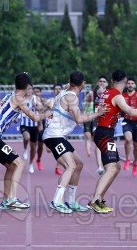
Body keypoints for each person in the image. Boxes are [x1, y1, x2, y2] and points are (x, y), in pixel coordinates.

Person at [0, 72, 49, 211]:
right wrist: (48, 113)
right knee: (19, 163)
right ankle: (12, 199)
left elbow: (1, 110)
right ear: (28, 87)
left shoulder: (9, 95)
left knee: (11, 166)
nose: (31, 91)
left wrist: (11, 118)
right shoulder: (19, 99)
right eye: (30, 88)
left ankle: (6, 200)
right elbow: (35, 117)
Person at [88, 70, 137, 214]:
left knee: (116, 166)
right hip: (105, 133)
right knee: (111, 168)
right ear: (124, 82)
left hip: (104, 132)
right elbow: (131, 112)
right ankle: (94, 200)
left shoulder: (106, 92)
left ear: (111, 81)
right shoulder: (117, 95)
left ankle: (100, 199)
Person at [44, 71, 107, 214]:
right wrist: (98, 113)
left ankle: (71, 201)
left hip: (58, 135)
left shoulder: (66, 91)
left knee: (78, 164)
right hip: (54, 135)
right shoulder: (71, 97)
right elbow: (79, 119)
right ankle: (56, 201)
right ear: (83, 83)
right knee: (70, 166)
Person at [19, 86, 42, 173]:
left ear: (32, 90)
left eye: (29, 89)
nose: (28, 91)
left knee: (33, 148)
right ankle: (25, 149)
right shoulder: (21, 99)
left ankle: (31, 163)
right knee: (26, 137)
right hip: (24, 123)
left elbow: (40, 109)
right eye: (26, 89)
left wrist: (40, 124)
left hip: (34, 125)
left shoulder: (35, 98)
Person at [43, 83, 64, 175]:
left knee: (61, 148)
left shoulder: (64, 102)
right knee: (48, 150)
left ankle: (58, 167)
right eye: (56, 89)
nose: (58, 90)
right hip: (50, 128)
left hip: (61, 128)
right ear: (53, 90)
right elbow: (42, 112)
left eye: (59, 89)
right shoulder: (49, 102)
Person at [91, 75, 108, 175]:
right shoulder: (92, 94)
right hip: (96, 121)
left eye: (104, 81)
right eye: (100, 81)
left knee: (106, 143)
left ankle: (107, 164)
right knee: (97, 142)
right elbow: (87, 104)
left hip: (107, 121)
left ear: (107, 84)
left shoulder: (110, 94)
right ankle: (100, 166)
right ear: (98, 83)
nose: (102, 83)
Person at [82, 90, 94, 159]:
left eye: (91, 95)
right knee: (88, 137)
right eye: (89, 95)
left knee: (93, 138)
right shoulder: (84, 103)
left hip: (94, 122)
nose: (90, 97)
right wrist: (86, 106)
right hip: (87, 122)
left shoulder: (95, 103)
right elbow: (83, 113)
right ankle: (88, 150)